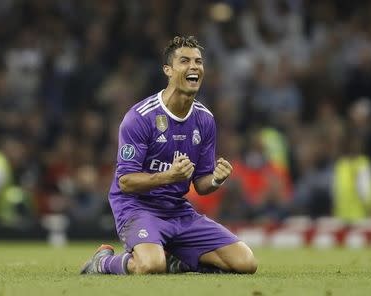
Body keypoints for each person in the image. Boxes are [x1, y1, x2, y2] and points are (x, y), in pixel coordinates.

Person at [81, 36, 257, 275]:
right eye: (184, 61)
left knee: (246, 263)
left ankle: (178, 259)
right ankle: (102, 261)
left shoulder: (205, 120)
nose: (194, 66)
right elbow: (125, 181)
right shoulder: (140, 117)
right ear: (168, 70)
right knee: (150, 266)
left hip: (177, 210)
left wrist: (216, 178)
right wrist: (168, 176)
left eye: (198, 61)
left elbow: (201, 183)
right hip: (137, 208)